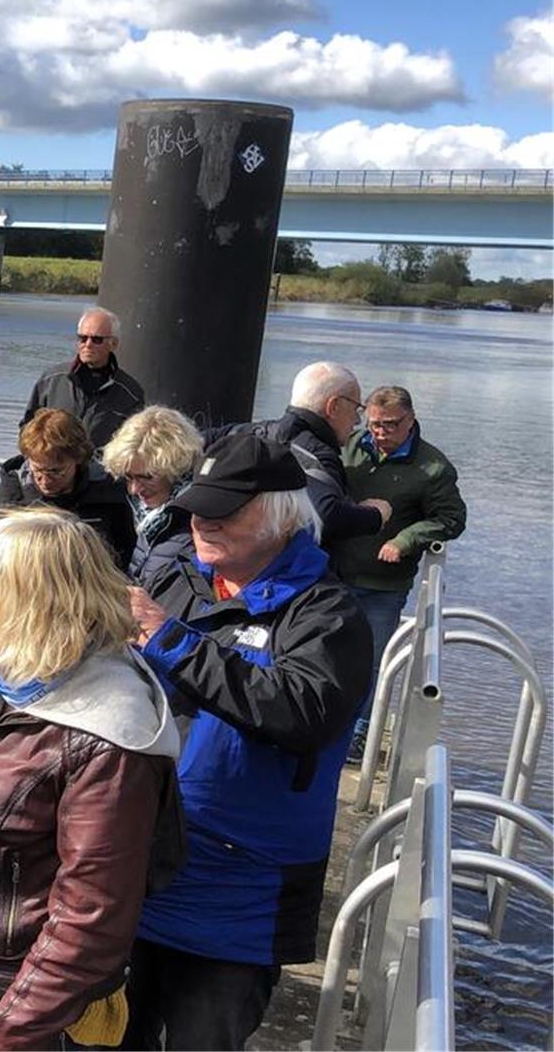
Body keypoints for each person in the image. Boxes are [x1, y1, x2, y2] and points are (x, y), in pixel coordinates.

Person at [0, 507, 182, 1052]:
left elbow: (92, 915)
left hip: (8, 997)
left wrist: (12, 1030)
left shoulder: (108, 734)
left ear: (35, 603)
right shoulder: (17, 675)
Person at [123, 431, 373, 1051]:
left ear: (281, 515)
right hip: (138, 869)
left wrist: (172, 641)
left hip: (237, 898)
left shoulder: (328, 615)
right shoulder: (178, 580)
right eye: (197, 507)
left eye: (223, 510)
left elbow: (300, 710)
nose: (203, 522)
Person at [335, 386, 466, 758]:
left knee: (371, 661)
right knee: (325, 651)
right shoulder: (349, 447)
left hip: (383, 584)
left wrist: (408, 539)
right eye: (375, 424)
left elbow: (451, 518)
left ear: (410, 420)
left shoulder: (432, 467)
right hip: (335, 572)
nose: (381, 433)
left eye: (391, 425)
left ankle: (359, 734)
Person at [208, 360, 390, 550]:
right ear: (334, 406)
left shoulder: (246, 433)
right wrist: (375, 515)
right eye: (356, 409)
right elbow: (325, 517)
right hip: (283, 570)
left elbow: (190, 444)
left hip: (230, 559)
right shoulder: (316, 455)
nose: (357, 420)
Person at [0, 408, 135, 570]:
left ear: (78, 459)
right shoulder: (10, 497)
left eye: (55, 471)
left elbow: (125, 551)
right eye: (37, 469)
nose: (44, 480)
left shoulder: (107, 494)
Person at [100, 406, 204, 585]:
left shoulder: (198, 520)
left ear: (176, 469)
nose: (134, 489)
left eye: (146, 477)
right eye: (129, 477)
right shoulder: (151, 517)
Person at [20, 306, 145, 449]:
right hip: (53, 468)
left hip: (100, 469)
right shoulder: (51, 380)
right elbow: (27, 428)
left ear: (113, 344)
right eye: (82, 338)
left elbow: (133, 447)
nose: (88, 344)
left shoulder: (131, 394)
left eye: (97, 339)